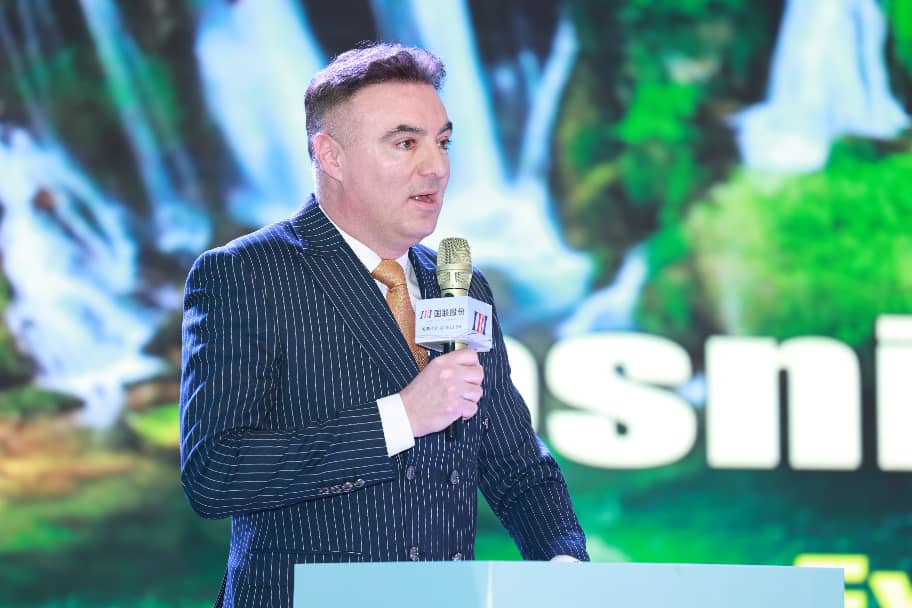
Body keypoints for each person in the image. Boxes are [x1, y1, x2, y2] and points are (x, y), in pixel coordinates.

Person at [179, 42, 588, 608]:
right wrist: (400, 418)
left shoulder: (461, 285)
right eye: (405, 143)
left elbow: (518, 467)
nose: (436, 167)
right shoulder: (247, 274)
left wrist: (564, 563)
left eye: (443, 142)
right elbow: (215, 472)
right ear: (331, 155)